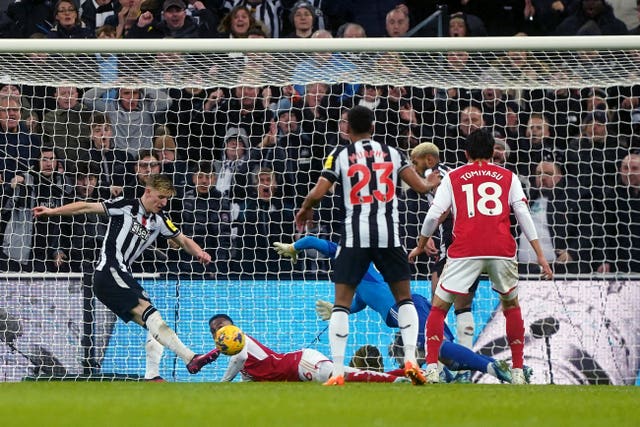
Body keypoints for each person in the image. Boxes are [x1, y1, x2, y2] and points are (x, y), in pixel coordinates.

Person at [295, 105, 441, 386]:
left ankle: (337, 372)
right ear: (373, 128)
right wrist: (430, 182)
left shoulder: (339, 155)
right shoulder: (394, 154)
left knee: (341, 304)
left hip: (354, 237)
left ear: (347, 129)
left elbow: (319, 191)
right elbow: (421, 187)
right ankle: (411, 359)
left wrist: (306, 208)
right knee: (405, 299)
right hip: (389, 236)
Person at [32, 174, 219, 378]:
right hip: (109, 270)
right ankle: (190, 358)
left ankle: (152, 376)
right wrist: (52, 211)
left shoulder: (160, 221)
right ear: (148, 191)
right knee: (152, 316)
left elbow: (182, 240)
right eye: (161, 197)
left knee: (153, 322)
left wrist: (200, 252)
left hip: (119, 274)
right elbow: (85, 207)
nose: (163, 203)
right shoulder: (125, 205)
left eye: (167, 199)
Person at [409, 128, 554, 384]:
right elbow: (523, 216)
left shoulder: (453, 176)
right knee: (511, 307)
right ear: (492, 153)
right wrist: (540, 256)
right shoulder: (508, 176)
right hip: (501, 249)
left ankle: (432, 368)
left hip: (465, 249)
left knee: (439, 308)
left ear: (466, 153)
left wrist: (421, 244)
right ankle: (518, 371)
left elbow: (433, 215)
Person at [274, 236, 518, 384]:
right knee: (444, 356)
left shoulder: (347, 254)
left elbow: (314, 241)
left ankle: (493, 367)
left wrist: (294, 247)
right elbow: (363, 299)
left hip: (401, 308)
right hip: (413, 303)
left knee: (438, 347)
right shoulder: (361, 267)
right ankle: (459, 376)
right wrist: (343, 310)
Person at [208, 314, 408, 383]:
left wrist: (223, 383)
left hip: (302, 363)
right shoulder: (244, 363)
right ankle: (406, 374)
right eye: (215, 328)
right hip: (297, 369)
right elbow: (249, 372)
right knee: (353, 375)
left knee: (343, 377)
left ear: (235, 327)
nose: (220, 328)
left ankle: (399, 380)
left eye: (224, 323)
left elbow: (238, 359)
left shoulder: (243, 341)